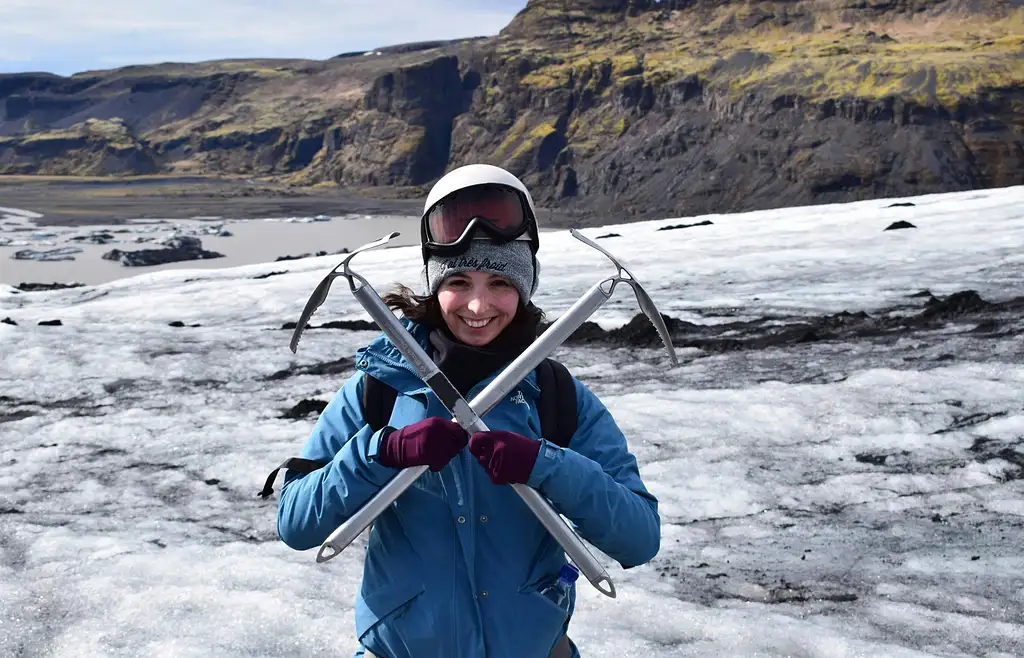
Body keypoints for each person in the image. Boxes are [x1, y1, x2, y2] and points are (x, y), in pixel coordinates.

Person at [276, 164, 660, 658]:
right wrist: (382, 453)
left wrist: (545, 464)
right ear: (434, 285)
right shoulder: (380, 389)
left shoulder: (558, 397)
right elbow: (296, 523)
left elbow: (639, 538)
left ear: (524, 288)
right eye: (459, 280)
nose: (478, 306)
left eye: (500, 282)